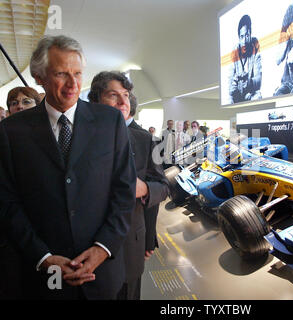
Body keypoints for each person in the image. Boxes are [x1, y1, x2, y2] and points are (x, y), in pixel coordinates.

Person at [0, 35, 136, 300]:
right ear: (39, 77)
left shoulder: (110, 122)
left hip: (102, 273)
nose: (73, 84)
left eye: (78, 73)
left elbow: (123, 190)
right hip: (42, 276)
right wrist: (43, 256)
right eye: (62, 74)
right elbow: (7, 201)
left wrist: (102, 247)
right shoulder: (11, 131)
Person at [88, 71, 168, 300]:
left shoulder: (146, 140)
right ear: (95, 100)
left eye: (126, 95)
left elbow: (163, 186)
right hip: (87, 245)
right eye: (114, 96)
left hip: (129, 247)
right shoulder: (76, 139)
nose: (124, 102)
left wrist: (142, 188)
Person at [228, 14, 262, 104]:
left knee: (258, 96)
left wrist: (249, 83)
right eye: (241, 37)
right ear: (239, 38)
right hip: (238, 95)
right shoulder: (234, 52)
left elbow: (258, 79)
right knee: (229, 100)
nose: (244, 41)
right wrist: (237, 85)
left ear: (250, 34)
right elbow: (230, 88)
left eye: (247, 35)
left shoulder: (255, 45)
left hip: (251, 93)